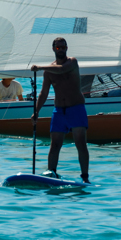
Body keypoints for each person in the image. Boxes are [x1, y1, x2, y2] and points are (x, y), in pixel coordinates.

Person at [31, 37, 89, 183]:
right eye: (58, 48)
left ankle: (85, 177)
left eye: (63, 47)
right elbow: (44, 93)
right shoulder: (49, 71)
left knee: (80, 143)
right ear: (53, 49)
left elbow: (62, 69)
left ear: (66, 48)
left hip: (76, 108)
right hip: (59, 111)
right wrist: (36, 111)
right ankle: (52, 174)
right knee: (55, 144)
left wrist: (40, 67)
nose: (61, 50)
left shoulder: (72, 62)